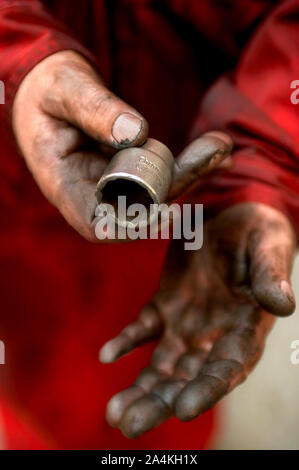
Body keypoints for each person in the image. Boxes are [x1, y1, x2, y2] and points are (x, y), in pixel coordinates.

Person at [0, 0, 298, 449]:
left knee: (164, 357)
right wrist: (20, 60)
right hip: (16, 184)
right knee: (38, 376)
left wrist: (263, 165)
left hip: (190, 191)